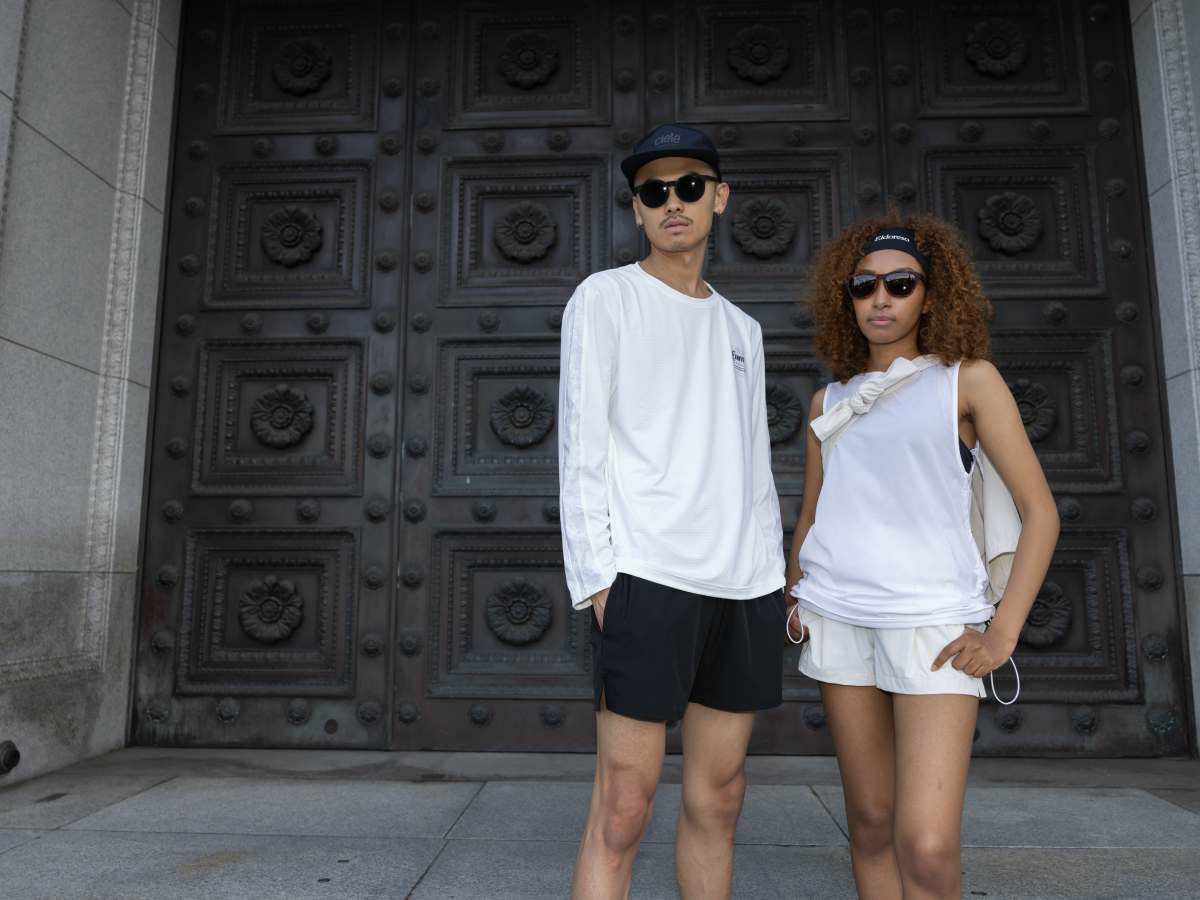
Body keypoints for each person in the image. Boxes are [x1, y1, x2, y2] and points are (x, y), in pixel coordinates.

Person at [785, 214, 1059, 900]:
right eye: (865, 286)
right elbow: (813, 513)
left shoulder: (967, 382)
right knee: (872, 825)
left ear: (931, 295)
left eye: (900, 284)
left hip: (934, 626)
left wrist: (1002, 634)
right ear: (846, 298)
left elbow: (1041, 513)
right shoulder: (830, 400)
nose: (880, 299)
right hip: (839, 621)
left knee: (928, 847)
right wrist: (795, 598)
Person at [558, 123, 786, 900]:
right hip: (647, 577)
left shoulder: (743, 330)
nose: (672, 202)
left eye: (689, 185)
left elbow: (754, 466)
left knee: (720, 799)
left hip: (743, 589)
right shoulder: (605, 298)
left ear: (720, 198)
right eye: (653, 191)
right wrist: (598, 580)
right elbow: (582, 445)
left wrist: (772, 577)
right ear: (637, 209)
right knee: (623, 809)